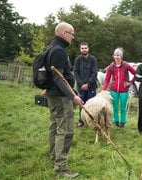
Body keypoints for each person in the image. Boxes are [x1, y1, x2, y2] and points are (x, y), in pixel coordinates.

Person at [45, 22, 83, 178]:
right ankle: (61, 166)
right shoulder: (59, 51)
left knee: (55, 125)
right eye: (71, 34)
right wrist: (72, 96)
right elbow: (59, 79)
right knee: (65, 129)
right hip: (61, 97)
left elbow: (55, 76)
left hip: (53, 95)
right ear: (64, 33)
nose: (73, 37)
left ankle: (54, 156)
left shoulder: (50, 47)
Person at [101, 47, 136, 128]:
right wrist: (103, 90)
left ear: (121, 56)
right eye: (115, 55)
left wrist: (130, 83)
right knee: (115, 107)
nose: (117, 57)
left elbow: (136, 74)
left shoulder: (126, 65)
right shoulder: (111, 66)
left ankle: (122, 122)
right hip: (114, 90)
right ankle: (116, 121)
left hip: (124, 90)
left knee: (123, 107)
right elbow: (107, 79)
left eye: (118, 55)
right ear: (113, 56)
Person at [74, 42, 98, 127]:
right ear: (80, 49)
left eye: (85, 48)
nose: (84, 49)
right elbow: (76, 73)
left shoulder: (93, 59)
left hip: (91, 87)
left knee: (91, 104)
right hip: (81, 88)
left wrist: (88, 84)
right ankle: (81, 120)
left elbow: (94, 73)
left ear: (88, 48)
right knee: (81, 104)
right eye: (82, 48)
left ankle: (92, 121)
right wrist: (81, 84)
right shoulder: (78, 60)